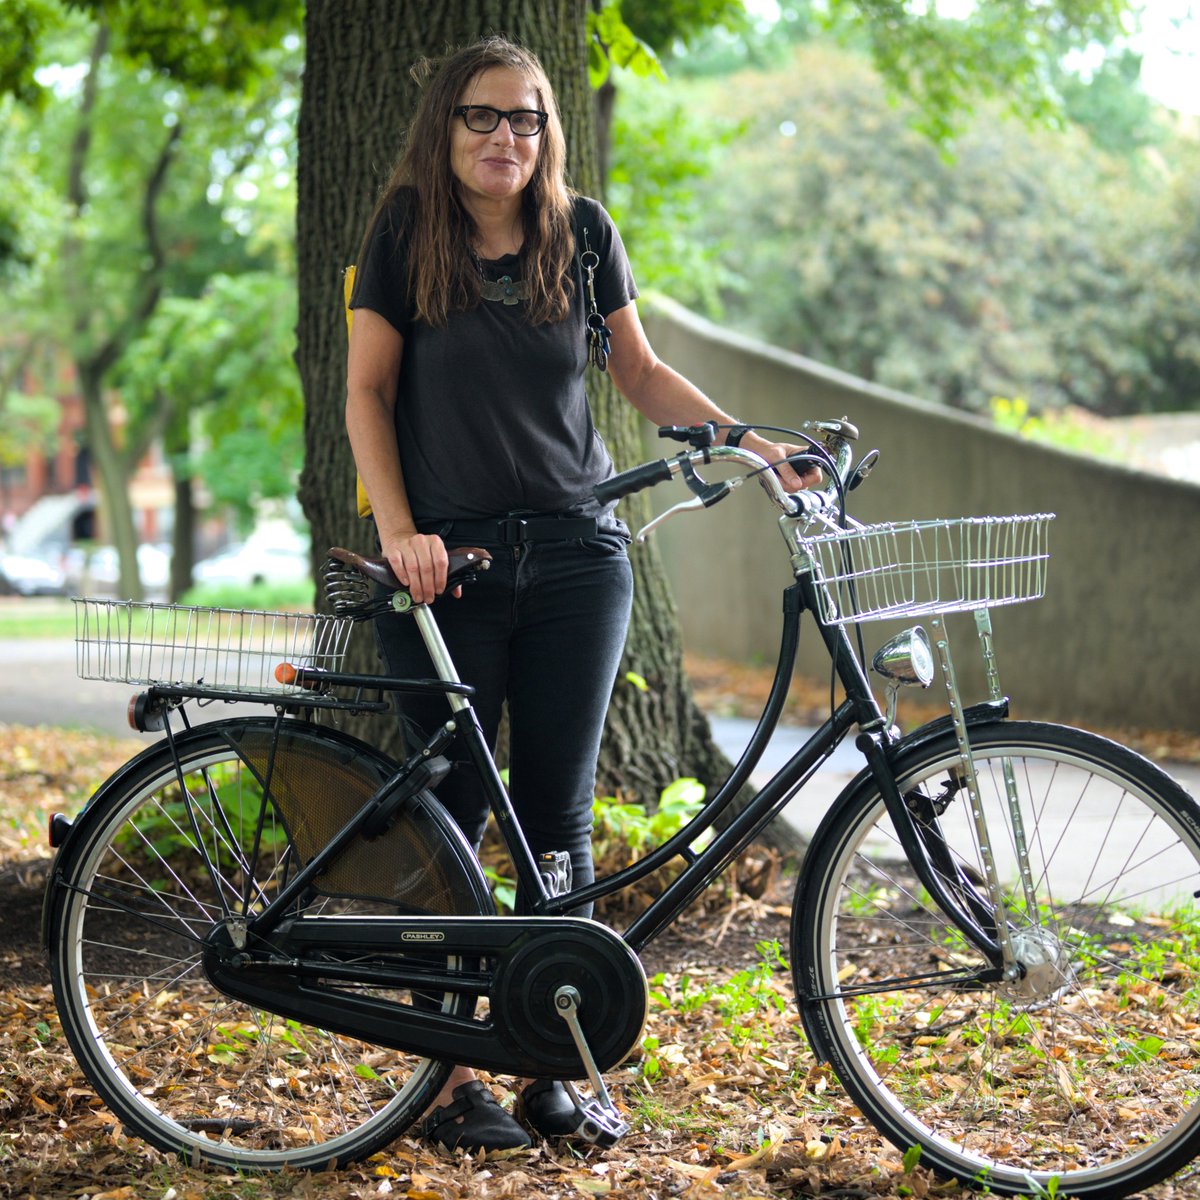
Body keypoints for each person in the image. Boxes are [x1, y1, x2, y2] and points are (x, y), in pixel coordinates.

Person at [345, 34, 818, 1154]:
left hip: (576, 561)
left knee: (557, 823)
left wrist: (753, 446)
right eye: (483, 116)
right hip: (445, 571)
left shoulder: (585, 231)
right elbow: (366, 394)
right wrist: (399, 533)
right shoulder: (405, 234)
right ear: (444, 128)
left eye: (527, 118)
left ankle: (553, 1063)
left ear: (549, 131)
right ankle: (453, 1080)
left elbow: (641, 373)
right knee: (452, 814)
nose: (507, 137)